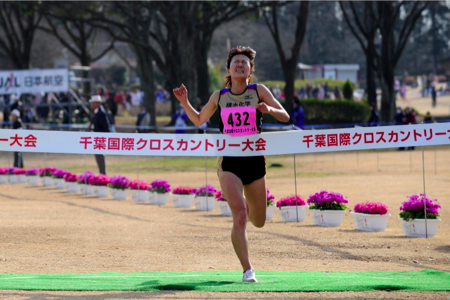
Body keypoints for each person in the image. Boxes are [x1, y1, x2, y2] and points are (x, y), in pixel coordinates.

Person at [173, 46, 289, 283]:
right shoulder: (219, 96)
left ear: (250, 70)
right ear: (228, 69)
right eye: (235, 62)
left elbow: (285, 116)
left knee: (258, 221)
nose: (239, 65)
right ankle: (248, 270)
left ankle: (246, 203)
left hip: (255, 162)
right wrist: (184, 102)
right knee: (239, 216)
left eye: (244, 63)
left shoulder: (259, 91)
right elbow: (198, 120)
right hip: (229, 163)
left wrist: (269, 109)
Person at [89, 95, 110, 174]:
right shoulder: (96, 112)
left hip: (100, 139)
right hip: (95, 138)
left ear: (98, 103)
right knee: (98, 158)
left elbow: (106, 127)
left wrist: (106, 137)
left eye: (93, 103)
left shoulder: (101, 113)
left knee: (100, 157)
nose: (91, 104)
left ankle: (103, 175)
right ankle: (102, 174)